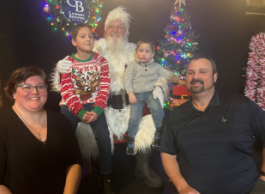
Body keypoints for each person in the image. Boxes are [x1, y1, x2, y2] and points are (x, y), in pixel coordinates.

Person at [52, 7, 166, 188]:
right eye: (111, 26)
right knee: (84, 130)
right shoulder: (95, 49)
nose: (115, 29)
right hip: (101, 105)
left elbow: (154, 70)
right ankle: (97, 169)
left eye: (120, 26)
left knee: (150, 120)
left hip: (130, 104)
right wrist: (60, 70)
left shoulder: (134, 50)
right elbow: (66, 83)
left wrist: (158, 87)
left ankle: (142, 167)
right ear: (104, 30)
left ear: (126, 31)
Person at [160, 54, 265, 194]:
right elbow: (167, 154)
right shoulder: (176, 115)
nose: (195, 76)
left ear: (215, 77)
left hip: (248, 190)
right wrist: (182, 186)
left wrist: (264, 178)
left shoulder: (240, 105)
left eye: (202, 72)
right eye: (190, 73)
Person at [0, 66, 83, 194]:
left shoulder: (60, 121)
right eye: (26, 87)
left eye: (40, 86)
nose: (35, 92)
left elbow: (74, 162)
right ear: (13, 93)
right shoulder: (2, 123)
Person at [59, 23, 113, 193]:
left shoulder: (101, 61)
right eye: (83, 36)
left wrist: (97, 110)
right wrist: (80, 112)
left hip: (95, 103)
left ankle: (106, 175)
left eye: (90, 36)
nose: (88, 39)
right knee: (65, 137)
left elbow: (105, 87)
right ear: (74, 41)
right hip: (72, 103)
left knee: (104, 138)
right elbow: (67, 90)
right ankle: (66, 174)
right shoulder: (67, 62)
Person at [124, 39, 183, 155]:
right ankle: (131, 139)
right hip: (136, 95)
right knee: (134, 117)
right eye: (141, 50)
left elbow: (167, 74)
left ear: (152, 54)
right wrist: (130, 93)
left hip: (151, 93)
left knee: (157, 110)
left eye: (147, 51)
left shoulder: (156, 67)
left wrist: (178, 80)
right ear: (137, 52)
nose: (143, 54)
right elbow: (127, 79)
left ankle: (159, 133)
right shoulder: (133, 65)